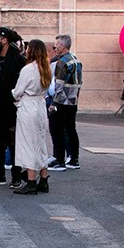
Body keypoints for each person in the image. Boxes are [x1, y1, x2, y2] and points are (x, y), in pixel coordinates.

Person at [0, 27, 25, 186]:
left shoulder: (18, 59)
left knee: (13, 142)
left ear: (4, 40)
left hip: (11, 107)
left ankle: (16, 176)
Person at [11, 39, 51, 194]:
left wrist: (12, 94)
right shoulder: (46, 68)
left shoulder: (28, 69)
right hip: (40, 105)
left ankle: (31, 180)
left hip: (28, 107)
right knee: (40, 142)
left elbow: (18, 91)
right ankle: (44, 178)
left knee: (28, 143)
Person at [49, 34, 82, 171]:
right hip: (73, 101)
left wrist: (53, 103)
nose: (55, 48)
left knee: (56, 130)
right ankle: (73, 158)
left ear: (62, 46)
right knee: (70, 129)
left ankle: (59, 159)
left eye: (56, 46)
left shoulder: (62, 63)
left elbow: (59, 85)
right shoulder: (76, 61)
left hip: (62, 101)